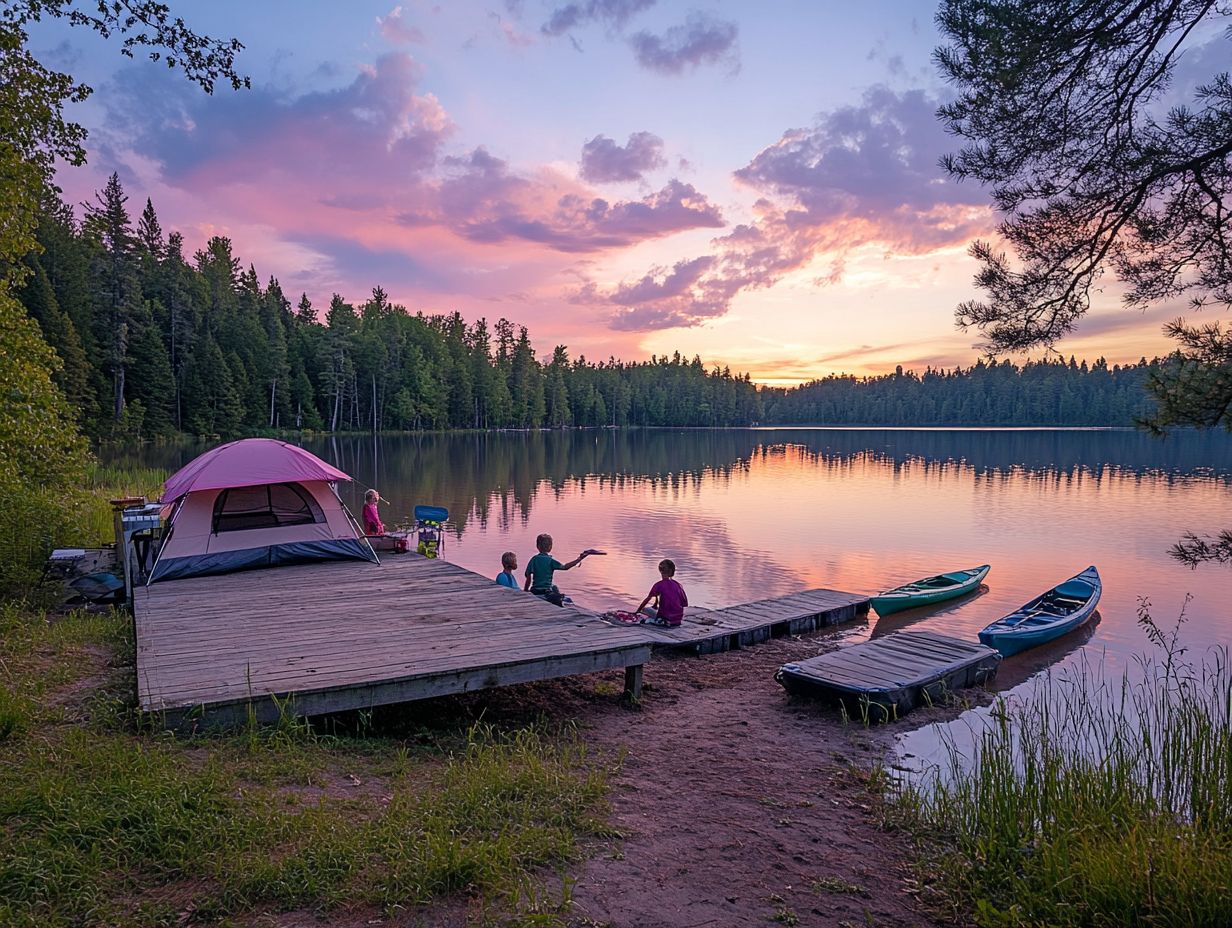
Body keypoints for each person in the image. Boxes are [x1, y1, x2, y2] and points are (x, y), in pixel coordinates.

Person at [523, 533, 591, 606]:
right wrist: (579, 559)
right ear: (550, 547)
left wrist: (526, 591)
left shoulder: (534, 559)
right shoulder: (550, 561)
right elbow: (565, 567)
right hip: (546, 592)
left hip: (535, 591)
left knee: (554, 587)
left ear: (537, 546)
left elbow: (528, 577)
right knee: (562, 596)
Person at [636, 559, 688, 627]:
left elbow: (647, 600)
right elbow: (684, 603)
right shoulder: (678, 585)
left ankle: (657, 621)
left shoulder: (659, 585)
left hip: (665, 619)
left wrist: (637, 611)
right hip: (677, 620)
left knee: (645, 610)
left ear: (660, 571)